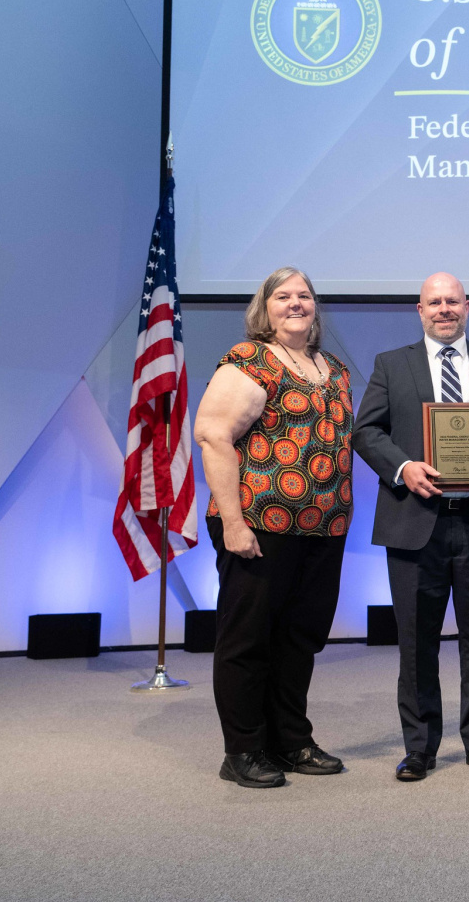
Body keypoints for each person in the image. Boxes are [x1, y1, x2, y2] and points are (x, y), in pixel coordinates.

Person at [353, 272, 469, 781]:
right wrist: (403, 467)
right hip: (414, 525)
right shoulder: (392, 365)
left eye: (452, 301)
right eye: (434, 302)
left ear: (468, 307)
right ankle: (420, 748)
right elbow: (365, 431)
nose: (444, 310)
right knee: (416, 644)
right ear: (419, 310)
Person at [194, 266, 353, 788]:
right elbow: (213, 436)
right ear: (264, 308)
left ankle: (291, 741)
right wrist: (234, 525)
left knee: (298, 640)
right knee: (247, 641)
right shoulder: (248, 361)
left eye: (304, 295)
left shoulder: (332, 368)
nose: (295, 303)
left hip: (323, 528)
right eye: (282, 296)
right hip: (259, 527)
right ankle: (242, 750)